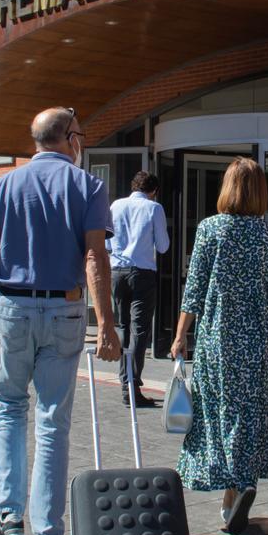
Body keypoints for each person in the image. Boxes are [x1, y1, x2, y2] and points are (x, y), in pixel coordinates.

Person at [0, 107, 122, 535]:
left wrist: (12, 253)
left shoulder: (2, 184)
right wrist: (106, 323)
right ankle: (50, 534)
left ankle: (10, 520)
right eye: (81, 136)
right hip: (65, 311)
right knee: (53, 422)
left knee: (10, 410)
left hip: (12, 308)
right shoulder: (88, 185)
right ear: (70, 138)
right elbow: (95, 257)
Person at [169, 156, 268, 535]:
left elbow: (195, 288)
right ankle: (240, 483)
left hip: (218, 340)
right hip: (261, 342)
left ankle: (231, 488)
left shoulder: (210, 230)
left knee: (218, 412)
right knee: (252, 414)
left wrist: (180, 334)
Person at [108, 170, 170, 407]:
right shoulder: (154, 208)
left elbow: (106, 242)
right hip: (142, 272)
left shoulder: (116, 205)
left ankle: (125, 381)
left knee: (124, 327)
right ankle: (132, 386)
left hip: (117, 272)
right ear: (153, 191)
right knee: (140, 330)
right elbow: (163, 246)